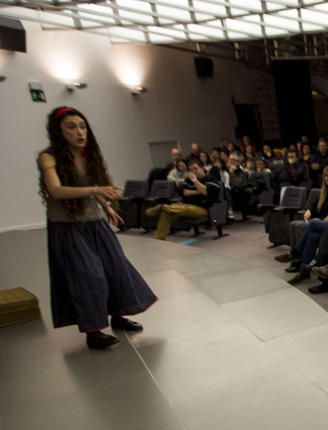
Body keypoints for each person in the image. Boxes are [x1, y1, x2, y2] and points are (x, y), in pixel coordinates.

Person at [37, 106, 156, 350]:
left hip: (95, 223)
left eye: (82, 126)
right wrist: (96, 191)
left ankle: (119, 316)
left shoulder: (88, 156)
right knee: (88, 276)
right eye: (71, 127)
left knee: (116, 269)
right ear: (58, 132)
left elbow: (95, 186)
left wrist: (106, 206)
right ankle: (93, 331)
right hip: (68, 227)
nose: (79, 132)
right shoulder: (48, 157)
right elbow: (56, 191)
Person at [276, 166, 328, 281]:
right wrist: (309, 210)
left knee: (308, 223)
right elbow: (314, 206)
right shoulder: (325, 191)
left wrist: (320, 217)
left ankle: (296, 253)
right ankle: (304, 271)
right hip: (319, 223)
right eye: (326, 176)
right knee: (312, 237)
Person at [144, 160, 221, 240]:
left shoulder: (210, 179)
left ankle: (162, 207)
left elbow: (205, 192)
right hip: (185, 205)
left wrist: (195, 181)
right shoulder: (188, 180)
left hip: (203, 208)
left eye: (195, 168)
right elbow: (185, 192)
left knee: (184, 208)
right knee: (166, 213)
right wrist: (198, 191)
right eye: (191, 170)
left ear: (201, 168)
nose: (193, 171)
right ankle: (159, 237)